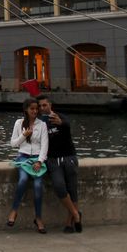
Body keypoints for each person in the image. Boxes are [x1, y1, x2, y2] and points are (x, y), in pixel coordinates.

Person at [37, 94, 83, 233]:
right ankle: (76, 214)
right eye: (39, 106)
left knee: (72, 189)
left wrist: (61, 123)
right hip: (52, 160)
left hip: (69, 157)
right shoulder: (39, 123)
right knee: (59, 186)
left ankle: (69, 222)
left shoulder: (60, 117)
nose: (42, 108)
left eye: (44, 105)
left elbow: (68, 126)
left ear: (50, 105)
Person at [7, 97, 49, 233]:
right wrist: (24, 135)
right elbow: (13, 144)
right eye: (32, 109)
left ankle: (38, 217)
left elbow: (45, 145)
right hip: (23, 158)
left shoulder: (42, 125)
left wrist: (40, 161)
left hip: (37, 159)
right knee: (23, 180)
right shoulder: (19, 123)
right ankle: (14, 211)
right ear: (26, 109)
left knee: (38, 186)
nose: (35, 111)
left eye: (36, 109)